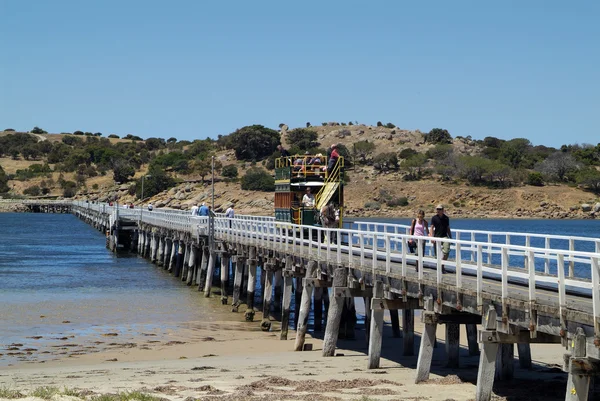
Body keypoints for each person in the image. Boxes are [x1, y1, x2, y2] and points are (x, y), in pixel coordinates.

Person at [429, 204, 451, 273]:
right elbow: (432, 227)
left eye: (440, 209)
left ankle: (442, 265)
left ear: (443, 210)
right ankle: (440, 268)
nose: (438, 210)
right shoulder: (434, 218)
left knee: (446, 251)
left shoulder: (446, 218)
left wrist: (450, 237)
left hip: (444, 236)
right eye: (437, 209)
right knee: (437, 254)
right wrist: (432, 237)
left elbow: (447, 228)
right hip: (437, 236)